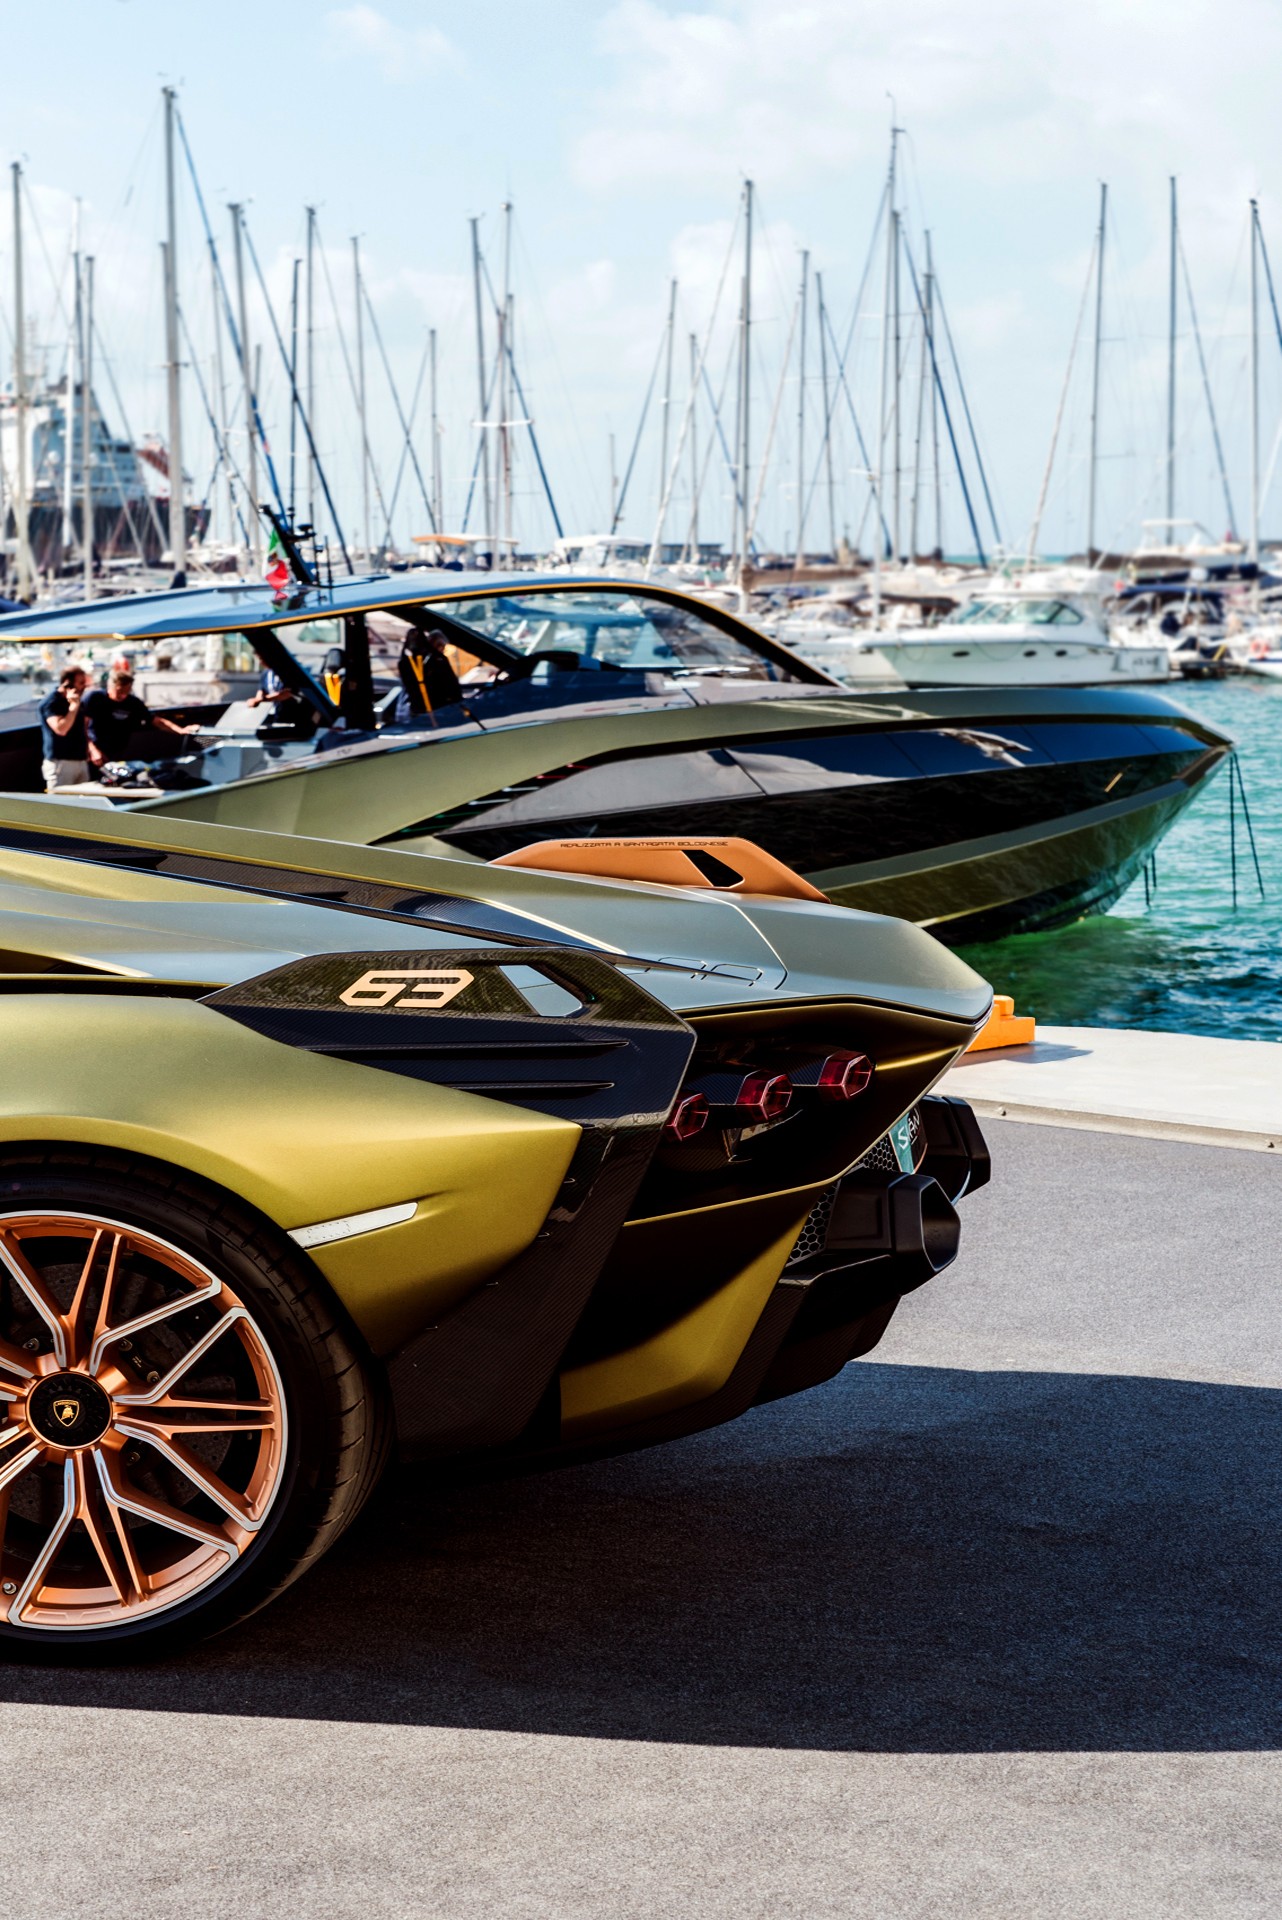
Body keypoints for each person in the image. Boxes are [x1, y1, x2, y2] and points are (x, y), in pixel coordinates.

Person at [81, 668, 201, 770]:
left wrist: (180, 730)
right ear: (111, 686)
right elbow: (82, 726)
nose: (123, 695)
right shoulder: (95, 698)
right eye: (120, 691)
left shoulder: (133, 703)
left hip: (117, 753)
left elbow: (156, 721)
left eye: (126, 692)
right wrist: (92, 749)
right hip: (94, 751)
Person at [395, 626, 463, 724]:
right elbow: (452, 689)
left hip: (412, 715)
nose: (442, 649)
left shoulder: (404, 663)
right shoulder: (438, 661)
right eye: (441, 646)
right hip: (436, 715)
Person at [39, 665, 91, 790]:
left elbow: (83, 726)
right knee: (59, 805)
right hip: (61, 763)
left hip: (80, 760)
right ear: (68, 684)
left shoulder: (79, 701)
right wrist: (73, 707)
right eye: (81, 683)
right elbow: (61, 729)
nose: (84, 686)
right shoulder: (51, 703)